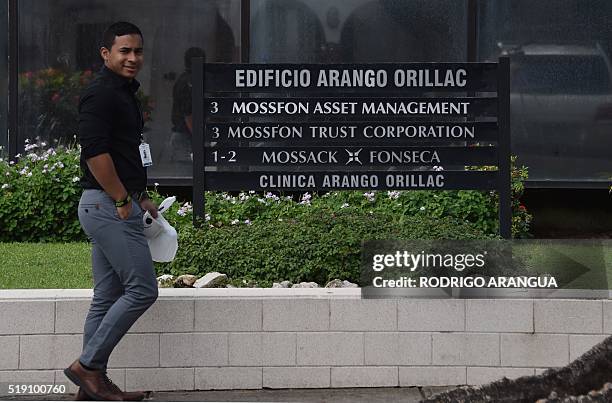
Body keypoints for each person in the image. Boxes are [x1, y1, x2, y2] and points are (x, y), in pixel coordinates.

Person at [64, 21, 159, 401]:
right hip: (107, 205)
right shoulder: (101, 93)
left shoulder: (123, 93)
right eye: (124, 51)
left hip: (113, 203)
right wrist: (122, 199)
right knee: (142, 290)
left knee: (106, 296)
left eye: (137, 51)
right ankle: (87, 366)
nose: (133, 58)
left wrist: (141, 195)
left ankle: (93, 388)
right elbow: (95, 153)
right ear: (106, 54)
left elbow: (126, 151)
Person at [169, 47, 205, 168]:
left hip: (183, 134)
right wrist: (200, 137)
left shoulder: (184, 79)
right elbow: (188, 114)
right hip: (186, 136)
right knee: (187, 177)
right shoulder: (190, 82)